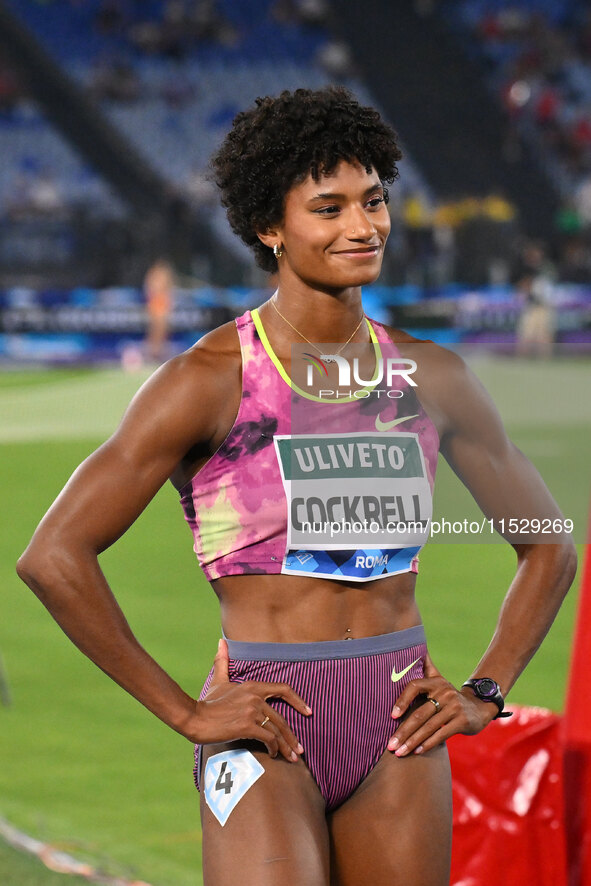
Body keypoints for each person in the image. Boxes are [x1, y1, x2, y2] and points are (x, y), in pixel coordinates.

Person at [17, 87, 576, 886]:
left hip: (398, 730)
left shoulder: (431, 376)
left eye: (373, 201)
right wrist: (185, 711)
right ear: (268, 228)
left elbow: (547, 548)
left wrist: (486, 689)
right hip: (264, 726)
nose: (361, 226)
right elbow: (53, 555)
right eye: (329, 207)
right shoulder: (208, 381)